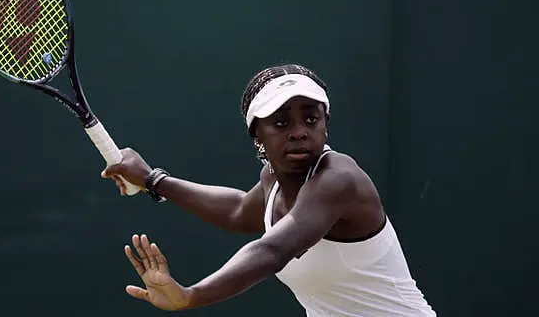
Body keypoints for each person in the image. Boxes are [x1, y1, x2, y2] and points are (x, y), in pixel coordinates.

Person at [101, 64, 436, 316]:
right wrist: (153, 180)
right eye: (280, 123)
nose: (299, 132)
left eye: (311, 119)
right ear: (257, 136)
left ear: (325, 123)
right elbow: (238, 211)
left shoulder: (338, 179)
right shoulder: (272, 181)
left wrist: (191, 296)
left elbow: (272, 251)